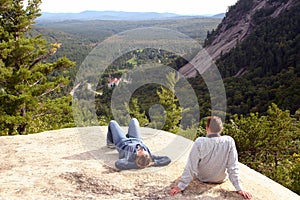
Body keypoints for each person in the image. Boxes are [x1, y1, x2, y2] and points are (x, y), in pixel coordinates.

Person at [169, 116, 252, 199]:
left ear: (207, 128)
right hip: (220, 179)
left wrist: (181, 186)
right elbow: (233, 166)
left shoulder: (200, 142)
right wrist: (239, 188)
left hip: (202, 177)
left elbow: (191, 166)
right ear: (221, 128)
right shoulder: (229, 141)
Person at [106, 118, 171, 170]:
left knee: (112, 123)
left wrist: (136, 165)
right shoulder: (148, 156)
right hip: (136, 139)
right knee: (134, 120)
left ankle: (110, 142)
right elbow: (167, 159)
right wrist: (153, 163)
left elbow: (118, 163)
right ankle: (129, 135)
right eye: (144, 151)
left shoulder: (129, 158)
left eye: (140, 151)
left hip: (122, 142)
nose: (142, 149)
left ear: (136, 156)